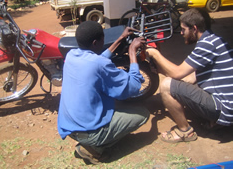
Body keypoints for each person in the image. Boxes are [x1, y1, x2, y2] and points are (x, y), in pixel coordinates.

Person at [57, 21, 150, 164]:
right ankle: (94, 149)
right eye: (102, 39)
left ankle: (92, 140)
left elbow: (98, 60)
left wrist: (120, 39)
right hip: (87, 132)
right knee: (142, 114)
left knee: (113, 104)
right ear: (95, 43)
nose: (104, 41)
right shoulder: (99, 64)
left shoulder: (71, 55)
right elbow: (133, 85)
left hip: (69, 125)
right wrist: (132, 52)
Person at [145, 8, 233, 143]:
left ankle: (184, 131)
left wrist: (155, 53)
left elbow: (177, 73)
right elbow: (189, 78)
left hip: (225, 107)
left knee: (166, 85)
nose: (181, 33)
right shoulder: (213, 40)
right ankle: (215, 121)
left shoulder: (207, 45)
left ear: (194, 28)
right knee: (175, 83)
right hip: (227, 104)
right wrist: (161, 71)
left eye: (183, 29)